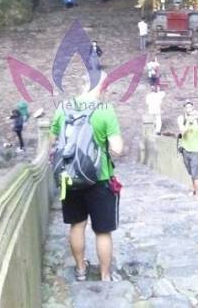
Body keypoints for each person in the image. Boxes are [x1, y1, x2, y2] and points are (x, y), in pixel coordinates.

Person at [49, 77, 124, 282]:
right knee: (102, 231)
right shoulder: (105, 109)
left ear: (82, 84)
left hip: (69, 178)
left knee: (77, 225)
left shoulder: (63, 107)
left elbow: (53, 139)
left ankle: (81, 270)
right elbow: (117, 149)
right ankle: (105, 276)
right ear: (101, 87)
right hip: (99, 179)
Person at [177, 100, 198, 195]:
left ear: (193, 108)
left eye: (190, 107)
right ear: (184, 109)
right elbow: (182, 132)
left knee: (196, 173)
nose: (189, 109)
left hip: (196, 149)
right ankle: (194, 190)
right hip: (185, 149)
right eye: (187, 107)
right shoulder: (181, 118)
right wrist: (189, 122)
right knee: (191, 171)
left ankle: (197, 193)